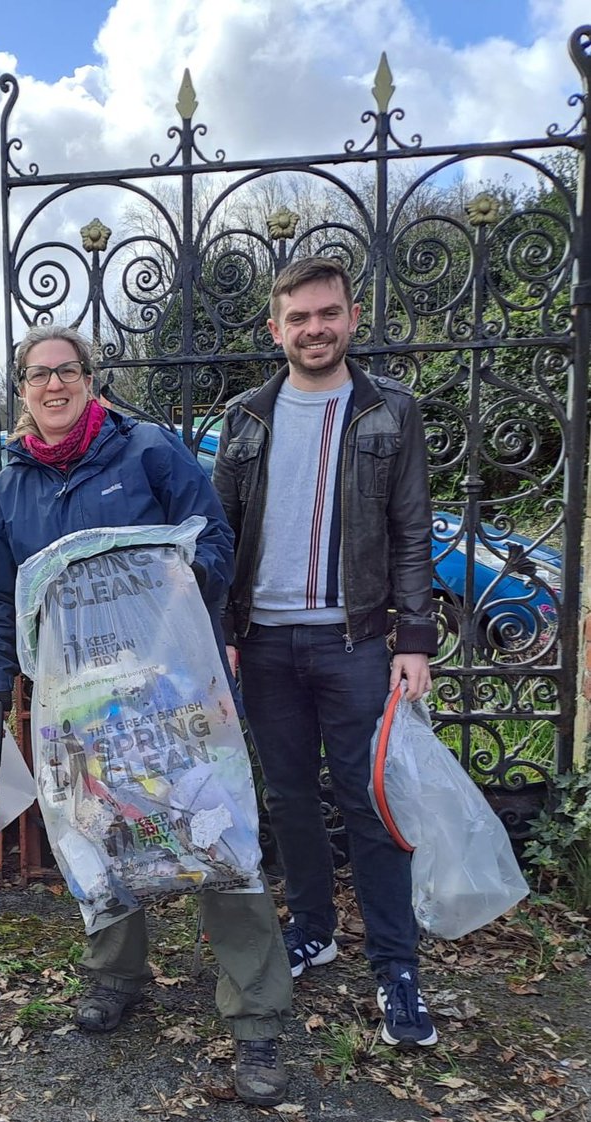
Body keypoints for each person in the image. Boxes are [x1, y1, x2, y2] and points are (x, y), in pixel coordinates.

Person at [0, 325, 293, 1106]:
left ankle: (256, 1017)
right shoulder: (7, 492)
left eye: (67, 371)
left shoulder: (149, 452)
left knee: (218, 833)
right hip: (77, 705)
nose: (54, 385)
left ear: (90, 379)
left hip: (173, 690)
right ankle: (115, 974)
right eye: (39, 375)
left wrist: (170, 598)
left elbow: (211, 539)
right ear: (22, 390)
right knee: (95, 829)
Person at [213, 256, 439, 1049]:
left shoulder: (390, 413)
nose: (315, 329)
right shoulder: (246, 415)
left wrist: (414, 638)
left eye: (328, 314)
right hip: (265, 642)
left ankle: (396, 966)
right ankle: (313, 926)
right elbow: (221, 535)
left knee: (371, 801)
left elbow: (413, 531)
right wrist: (222, 636)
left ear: (351, 317)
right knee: (288, 799)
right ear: (276, 329)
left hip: (357, 643)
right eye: (299, 318)